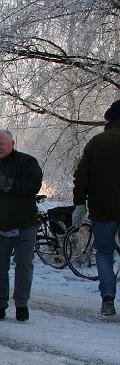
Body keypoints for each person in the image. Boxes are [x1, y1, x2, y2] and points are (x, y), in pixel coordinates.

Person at [0, 130, 43, 322]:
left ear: (12, 144)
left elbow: (33, 186)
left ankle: (21, 305)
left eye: (1, 143)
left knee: (24, 265)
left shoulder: (27, 162)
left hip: (25, 224)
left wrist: (8, 184)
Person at [72, 99, 120, 317]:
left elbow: (81, 176)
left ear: (108, 120)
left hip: (102, 210)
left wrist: (79, 203)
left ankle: (108, 298)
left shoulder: (96, 142)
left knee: (104, 254)